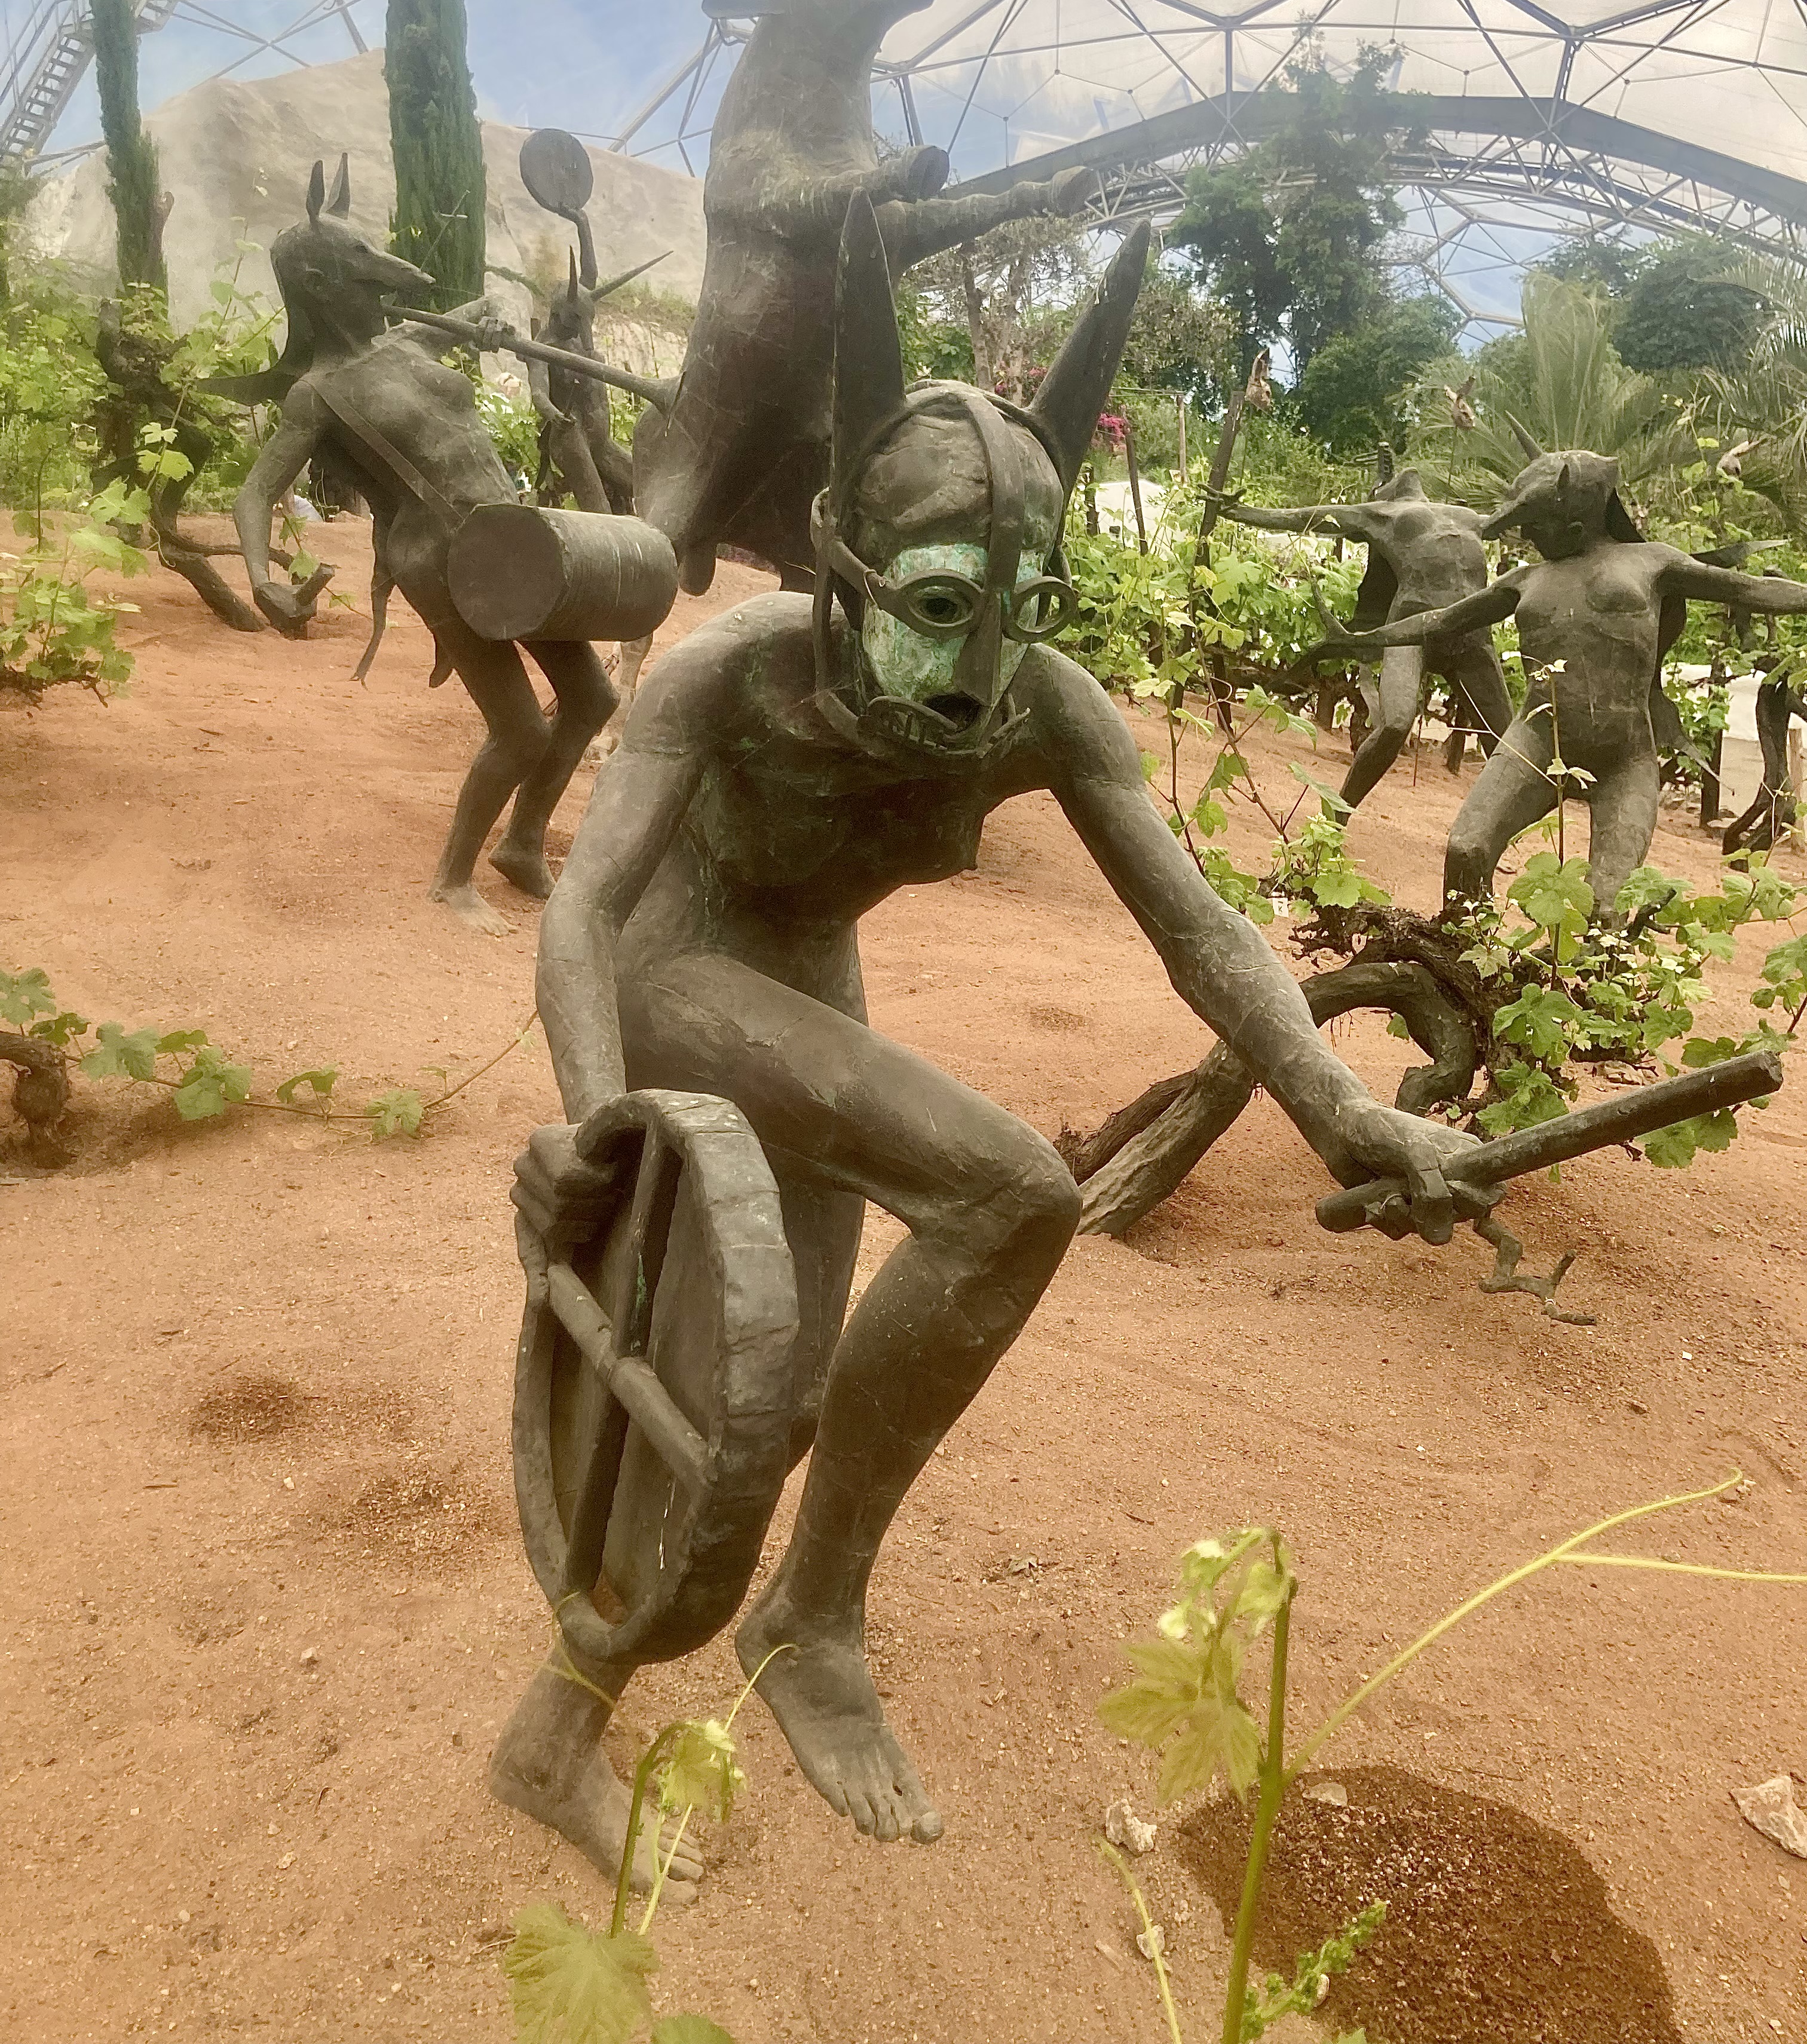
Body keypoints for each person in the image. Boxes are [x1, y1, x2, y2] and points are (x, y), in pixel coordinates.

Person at [490, 199, 1489, 1880]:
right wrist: (594, 1123)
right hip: (673, 970)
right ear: (844, 558)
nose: (977, 666)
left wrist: (1342, 1111)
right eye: (941, 601)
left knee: (775, 1394)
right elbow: (584, 910)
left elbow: (1199, 926)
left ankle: (565, 1726)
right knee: (1012, 1191)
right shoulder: (730, 677)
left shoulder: (1042, 705)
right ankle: (815, 1616)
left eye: (1022, 606)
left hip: (799, 984)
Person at [234, 159, 617, 934]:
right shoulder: (318, 393)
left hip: (512, 538)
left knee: (592, 699)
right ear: (319, 279)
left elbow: (487, 307)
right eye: (361, 259)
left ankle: (523, 843)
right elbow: (254, 491)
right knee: (520, 731)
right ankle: (453, 880)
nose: (385, 269)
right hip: (444, 560)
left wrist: (497, 322)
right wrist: (259, 576)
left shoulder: (410, 344)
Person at [1309, 446, 1807, 909]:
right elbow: (1440, 622)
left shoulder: (1652, 562)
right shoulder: (1526, 580)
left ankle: (1595, 973)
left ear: (1575, 523)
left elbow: (1750, 589)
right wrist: (1359, 638)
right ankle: (1461, 953)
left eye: (1534, 525)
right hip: (1536, 744)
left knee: (1607, 905)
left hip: (1623, 758)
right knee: (1466, 849)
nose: (1527, 537)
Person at [1213, 456, 1512, 807]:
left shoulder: (1463, 516)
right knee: (1395, 726)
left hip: (1472, 632)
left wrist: (1241, 512)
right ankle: (1340, 812)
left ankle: (1504, 828)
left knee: (1508, 744)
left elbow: (1314, 516)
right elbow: (1314, 517)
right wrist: (1241, 513)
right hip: (1411, 630)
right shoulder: (1386, 514)